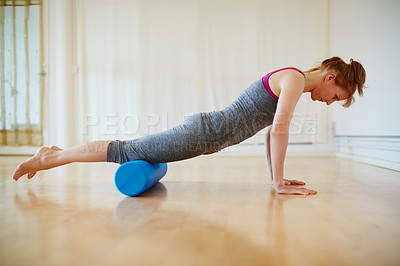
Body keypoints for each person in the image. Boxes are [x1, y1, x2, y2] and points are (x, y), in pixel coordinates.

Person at [12, 56, 366, 195]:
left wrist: (276, 178)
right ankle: (48, 158)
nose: (329, 102)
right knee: (124, 151)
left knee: (127, 149)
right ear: (331, 78)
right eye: (336, 96)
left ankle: (55, 153)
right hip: (203, 133)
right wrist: (276, 183)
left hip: (205, 134)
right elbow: (279, 130)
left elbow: (268, 135)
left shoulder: (294, 81)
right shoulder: (292, 79)